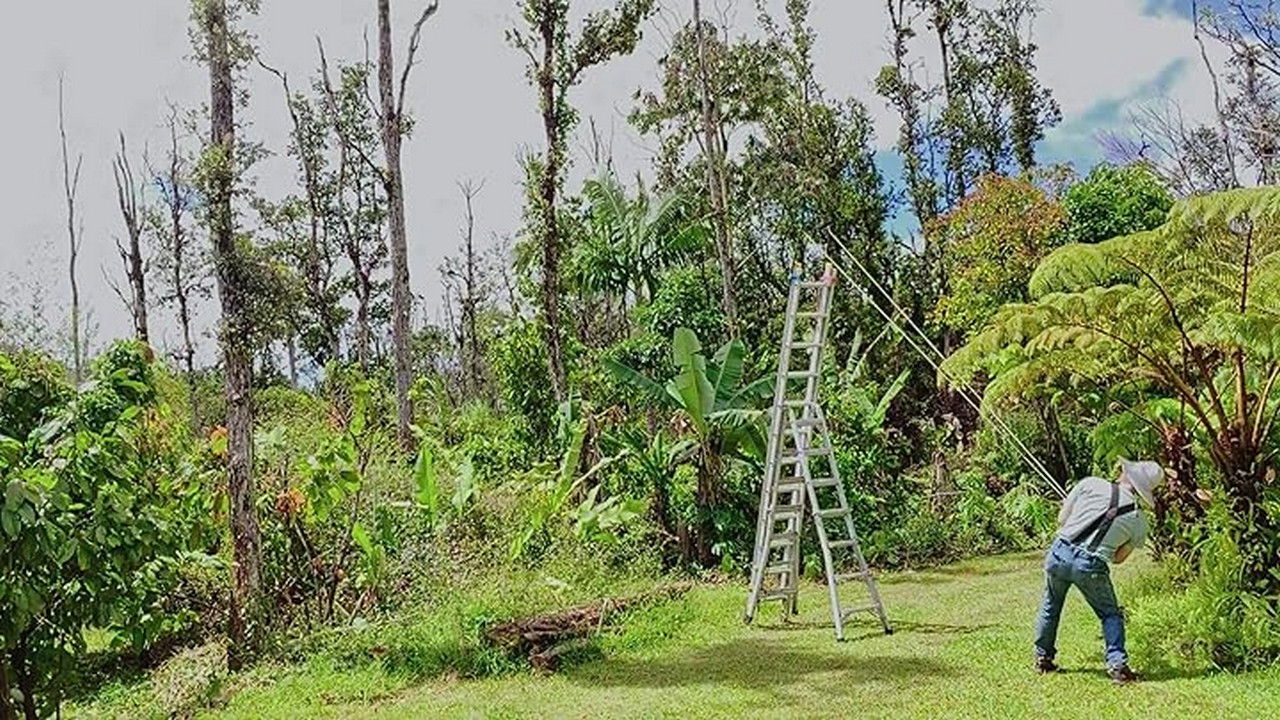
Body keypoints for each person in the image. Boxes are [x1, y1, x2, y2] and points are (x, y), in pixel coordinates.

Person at [1033, 459, 1164, 685]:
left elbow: (1062, 520)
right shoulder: (1139, 521)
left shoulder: (1091, 484)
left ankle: (1043, 658)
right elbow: (1118, 558)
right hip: (1091, 566)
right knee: (1110, 614)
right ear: (1143, 490)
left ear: (1125, 474)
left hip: (1059, 552)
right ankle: (1118, 666)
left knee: (1051, 604)